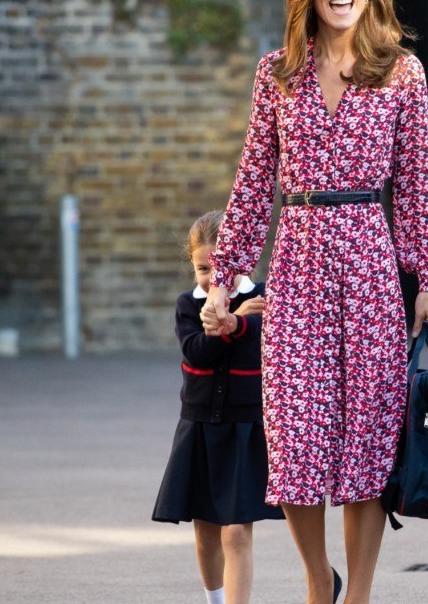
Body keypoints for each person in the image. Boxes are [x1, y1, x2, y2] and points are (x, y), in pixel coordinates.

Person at [202, 0, 428, 604]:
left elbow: (417, 183)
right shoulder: (277, 72)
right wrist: (226, 280)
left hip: (369, 264)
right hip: (300, 264)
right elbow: (253, 183)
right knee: (297, 440)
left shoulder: (402, 71)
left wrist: (426, 279)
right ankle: (318, 581)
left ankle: (359, 595)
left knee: (366, 444)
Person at [153, 210, 284, 604]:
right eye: (203, 268)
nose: (212, 278)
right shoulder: (188, 306)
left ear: (242, 260)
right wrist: (228, 322)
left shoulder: (262, 297)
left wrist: (237, 321)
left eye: (221, 267)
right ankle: (214, 599)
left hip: (245, 429)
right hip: (199, 427)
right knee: (206, 531)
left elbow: (263, 335)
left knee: (236, 531)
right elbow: (196, 353)